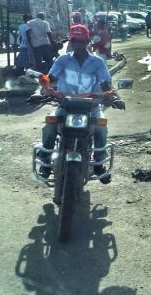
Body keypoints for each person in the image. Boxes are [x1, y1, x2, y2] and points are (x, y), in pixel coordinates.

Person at [36, 24, 124, 183]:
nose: (78, 45)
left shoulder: (97, 62)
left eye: (81, 41)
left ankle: (98, 164)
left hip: (91, 107)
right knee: (49, 126)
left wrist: (114, 98)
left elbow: (106, 84)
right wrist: (40, 91)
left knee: (101, 127)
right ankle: (45, 164)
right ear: (71, 41)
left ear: (87, 41)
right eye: (75, 41)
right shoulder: (62, 60)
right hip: (65, 106)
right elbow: (50, 79)